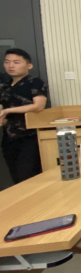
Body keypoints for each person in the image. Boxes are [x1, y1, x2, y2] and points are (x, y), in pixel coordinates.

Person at [0, 49, 47, 184]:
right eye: (7, 62)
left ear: (29, 65)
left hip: (30, 137)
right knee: (16, 177)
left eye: (16, 62)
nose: (11, 66)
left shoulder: (35, 82)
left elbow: (38, 106)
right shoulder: (4, 86)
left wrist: (8, 111)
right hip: (9, 138)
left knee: (27, 175)